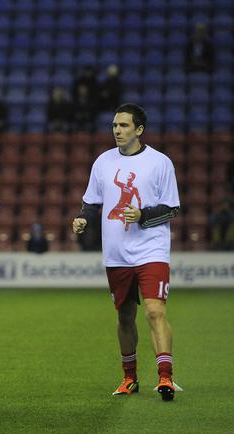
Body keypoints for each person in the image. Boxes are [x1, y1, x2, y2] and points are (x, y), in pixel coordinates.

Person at [72, 103, 181, 401]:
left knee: (155, 311)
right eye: (115, 126)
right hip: (117, 253)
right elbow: (92, 203)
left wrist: (142, 215)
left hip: (151, 250)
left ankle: (165, 377)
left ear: (139, 130)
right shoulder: (103, 162)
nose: (117, 131)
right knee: (124, 317)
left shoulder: (160, 163)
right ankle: (130, 378)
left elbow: (171, 209)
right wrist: (83, 218)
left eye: (123, 126)